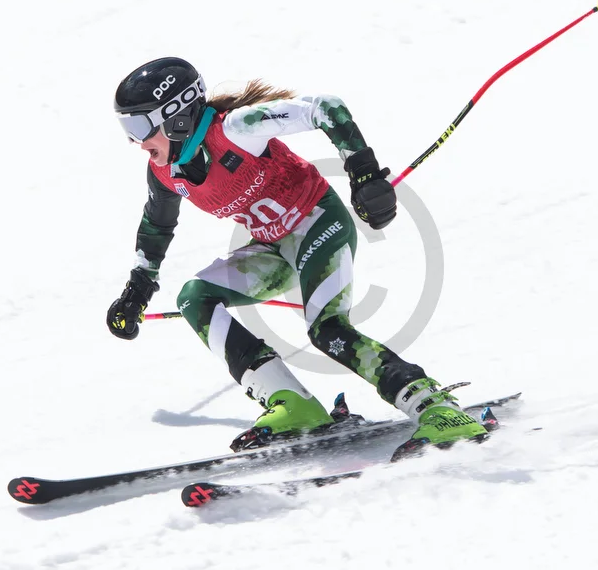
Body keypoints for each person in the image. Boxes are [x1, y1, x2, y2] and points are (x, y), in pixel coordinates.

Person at [106, 56, 486, 456]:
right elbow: (156, 226)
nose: (135, 141)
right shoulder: (166, 172)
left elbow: (326, 108)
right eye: (126, 129)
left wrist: (365, 173)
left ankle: (435, 406)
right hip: (272, 248)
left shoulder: (237, 129)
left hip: (318, 224)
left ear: (177, 117)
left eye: (139, 126)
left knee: (327, 330)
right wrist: (137, 290)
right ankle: (293, 404)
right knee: (194, 297)